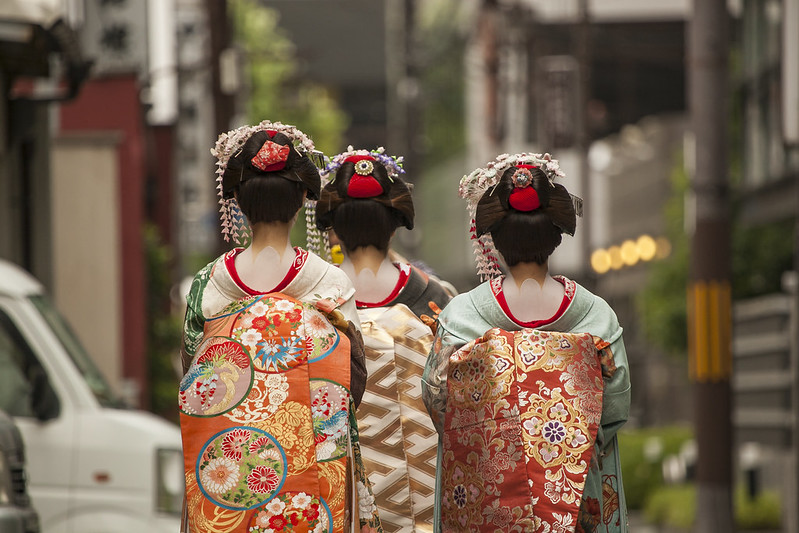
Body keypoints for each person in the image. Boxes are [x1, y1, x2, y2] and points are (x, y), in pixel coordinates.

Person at [178, 121, 382, 533]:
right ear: (304, 198)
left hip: (227, 468)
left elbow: (192, 379)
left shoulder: (207, 285)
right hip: (314, 471)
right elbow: (353, 383)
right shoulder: (329, 283)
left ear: (234, 197)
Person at [422, 152, 631, 532]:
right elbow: (615, 409)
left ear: (494, 236)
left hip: (485, 491)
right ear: (555, 233)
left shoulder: (462, 316)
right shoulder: (596, 316)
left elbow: (440, 405)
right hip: (576, 486)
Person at [315, 147, 452, 531]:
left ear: (334, 229)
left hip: (339, 481)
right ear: (394, 224)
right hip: (425, 483)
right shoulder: (436, 297)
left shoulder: (313, 301)